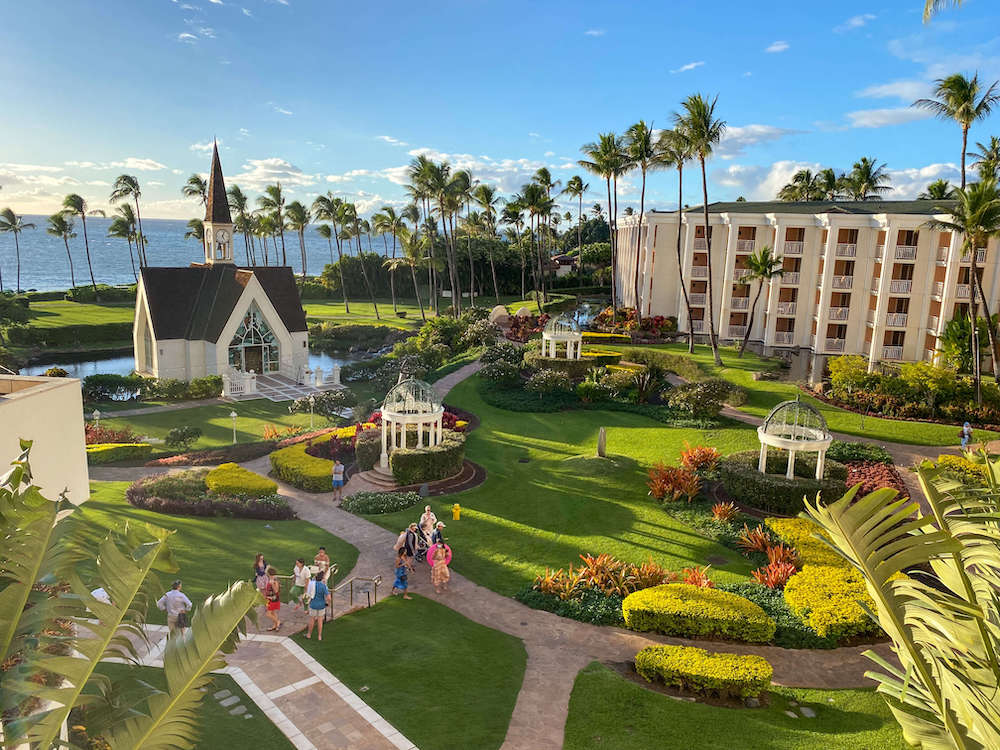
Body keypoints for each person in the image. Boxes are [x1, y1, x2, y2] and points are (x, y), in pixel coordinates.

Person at [305, 570, 330, 640]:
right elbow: (328, 597)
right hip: (321, 605)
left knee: (312, 620)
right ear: (322, 578)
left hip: (313, 604)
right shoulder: (323, 586)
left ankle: (309, 634)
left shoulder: (312, 584)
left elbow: (308, 594)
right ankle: (319, 636)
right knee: (320, 621)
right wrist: (328, 603)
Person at [263, 567, 282, 631]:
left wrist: (272, 584)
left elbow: (276, 590)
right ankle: (275, 625)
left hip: (273, 599)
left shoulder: (274, 580)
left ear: (269, 573)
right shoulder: (270, 579)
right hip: (269, 598)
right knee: (273, 612)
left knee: (268, 614)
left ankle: (278, 622)